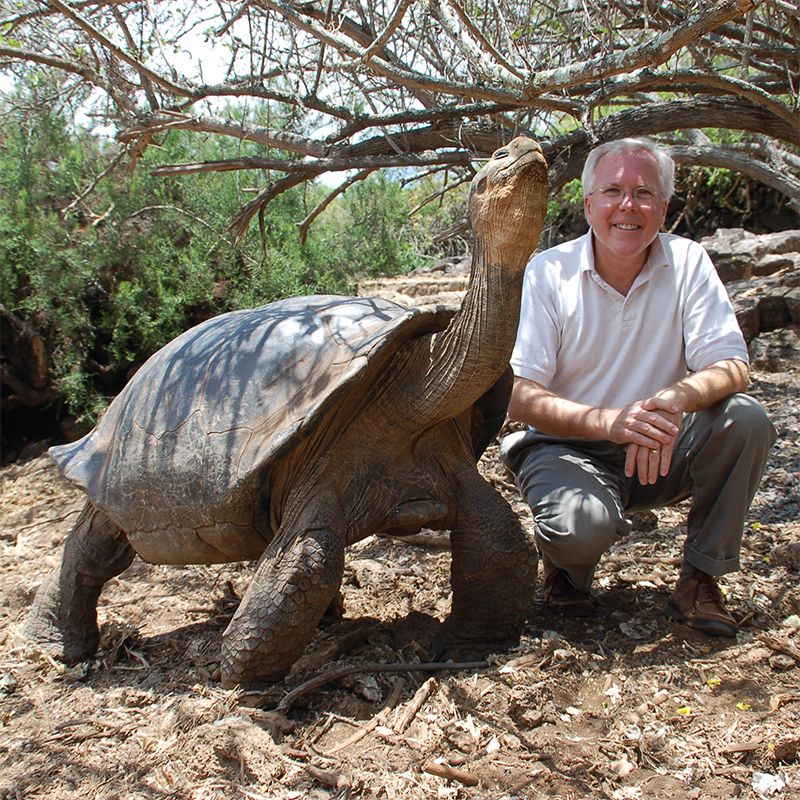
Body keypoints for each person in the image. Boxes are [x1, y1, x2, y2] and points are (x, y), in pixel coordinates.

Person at [501, 137, 776, 637]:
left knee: (747, 420)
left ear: (664, 209)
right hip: (567, 447)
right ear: (588, 205)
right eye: (612, 191)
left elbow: (732, 366)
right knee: (579, 529)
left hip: (660, 443)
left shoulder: (689, 262)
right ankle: (567, 568)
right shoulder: (548, 271)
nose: (628, 205)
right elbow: (519, 393)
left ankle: (700, 578)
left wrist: (675, 400)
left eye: (644, 193)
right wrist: (608, 422)